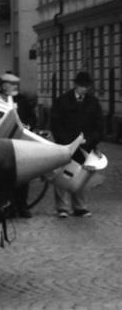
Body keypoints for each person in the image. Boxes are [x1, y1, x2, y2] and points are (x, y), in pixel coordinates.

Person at [50, 71, 104, 218]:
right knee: (62, 176)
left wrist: (91, 141)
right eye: (82, 86)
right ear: (76, 85)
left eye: (87, 87)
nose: (84, 89)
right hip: (65, 145)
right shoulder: (63, 100)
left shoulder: (93, 102)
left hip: (85, 146)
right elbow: (55, 123)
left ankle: (79, 207)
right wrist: (66, 142)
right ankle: (62, 207)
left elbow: (99, 125)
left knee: (80, 176)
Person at [0, 72, 38, 218]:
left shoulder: (23, 100)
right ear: (4, 85)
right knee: (6, 176)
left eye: (16, 84)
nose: (15, 86)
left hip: (21, 142)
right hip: (3, 142)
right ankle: (8, 206)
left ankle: (22, 206)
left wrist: (29, 126)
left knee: (23, 176)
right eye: (12, 84)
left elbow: (32, 118)